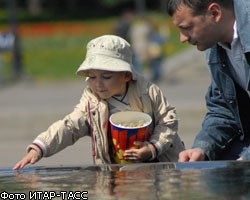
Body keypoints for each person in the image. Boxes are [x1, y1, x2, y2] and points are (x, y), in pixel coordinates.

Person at [13, 35, 184, 170]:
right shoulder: (91, 100)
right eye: (92, 77)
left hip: (160, 166)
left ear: (126, 75)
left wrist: (153, 148)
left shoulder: (147, 91)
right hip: (114, 171)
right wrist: (39, 147)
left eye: (106, 77)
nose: (98, 84)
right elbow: (70, 126)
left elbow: (167, 121)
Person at [165, 0, 250, 161]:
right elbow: (224, 110)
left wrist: (245, 160)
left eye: (186, 28)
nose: (182, 38)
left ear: (215, 13)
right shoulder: (214, 46)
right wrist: (202, 148)